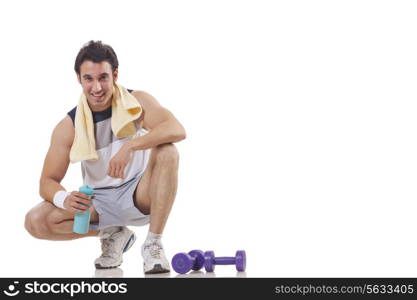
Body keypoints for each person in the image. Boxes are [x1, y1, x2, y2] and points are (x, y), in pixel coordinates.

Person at [24, 40, 186, 274]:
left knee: (168, 151)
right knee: (35, 220)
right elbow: (46, 181)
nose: (96, 87)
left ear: (115, 75)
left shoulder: (137, 101)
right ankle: (113, 234)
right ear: (79, 79)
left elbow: (176, 129)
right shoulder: (68, 126)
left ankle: (153, 244)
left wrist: (130, 146)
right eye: (88, 78)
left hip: (140, 193)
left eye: (103, 77)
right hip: (99, 204)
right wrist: (64, 199)